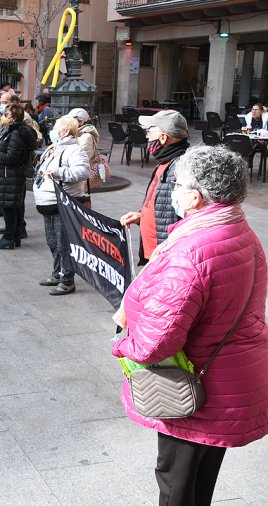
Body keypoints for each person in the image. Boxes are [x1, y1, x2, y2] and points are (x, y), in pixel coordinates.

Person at [111, 146, 268, 506]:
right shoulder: (237, 228)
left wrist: (122, 346)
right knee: (199, 482)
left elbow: (156, 342)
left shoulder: (191, 249)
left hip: (199, 392)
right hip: (231, 381)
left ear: (195, 197)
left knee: (176, 485)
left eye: (178, 184)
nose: (174, 190)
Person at [119, 110, 190, 264]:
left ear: (163, 137)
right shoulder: (166, 161)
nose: (147, 136)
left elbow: (188, 217)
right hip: (155, 251)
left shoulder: (182, 168)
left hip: (167, 256)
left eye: (150, 132)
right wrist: (141, 217)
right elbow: (163, 203)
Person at [32, 116, 90, 295]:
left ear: (65, 131)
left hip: (62, 204)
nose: (52, 131)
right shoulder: (54, 148)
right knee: (52, 242)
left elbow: (83, 171)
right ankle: (57, 273)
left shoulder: (74, 150)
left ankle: (67, 280)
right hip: (48, 204)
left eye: (55, 128)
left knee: (63, 243)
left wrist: (58, 172)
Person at [0, 103, 37, 250]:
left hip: (10, 176)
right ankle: (14, 236)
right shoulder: (12, 130)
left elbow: (11, 157)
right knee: (11, 207)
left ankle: (8, 238)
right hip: (8, 176)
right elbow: (2, 144)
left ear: (13, 117)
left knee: (9, 208)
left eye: (6, 114)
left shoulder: (16, 133)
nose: (3, 116)